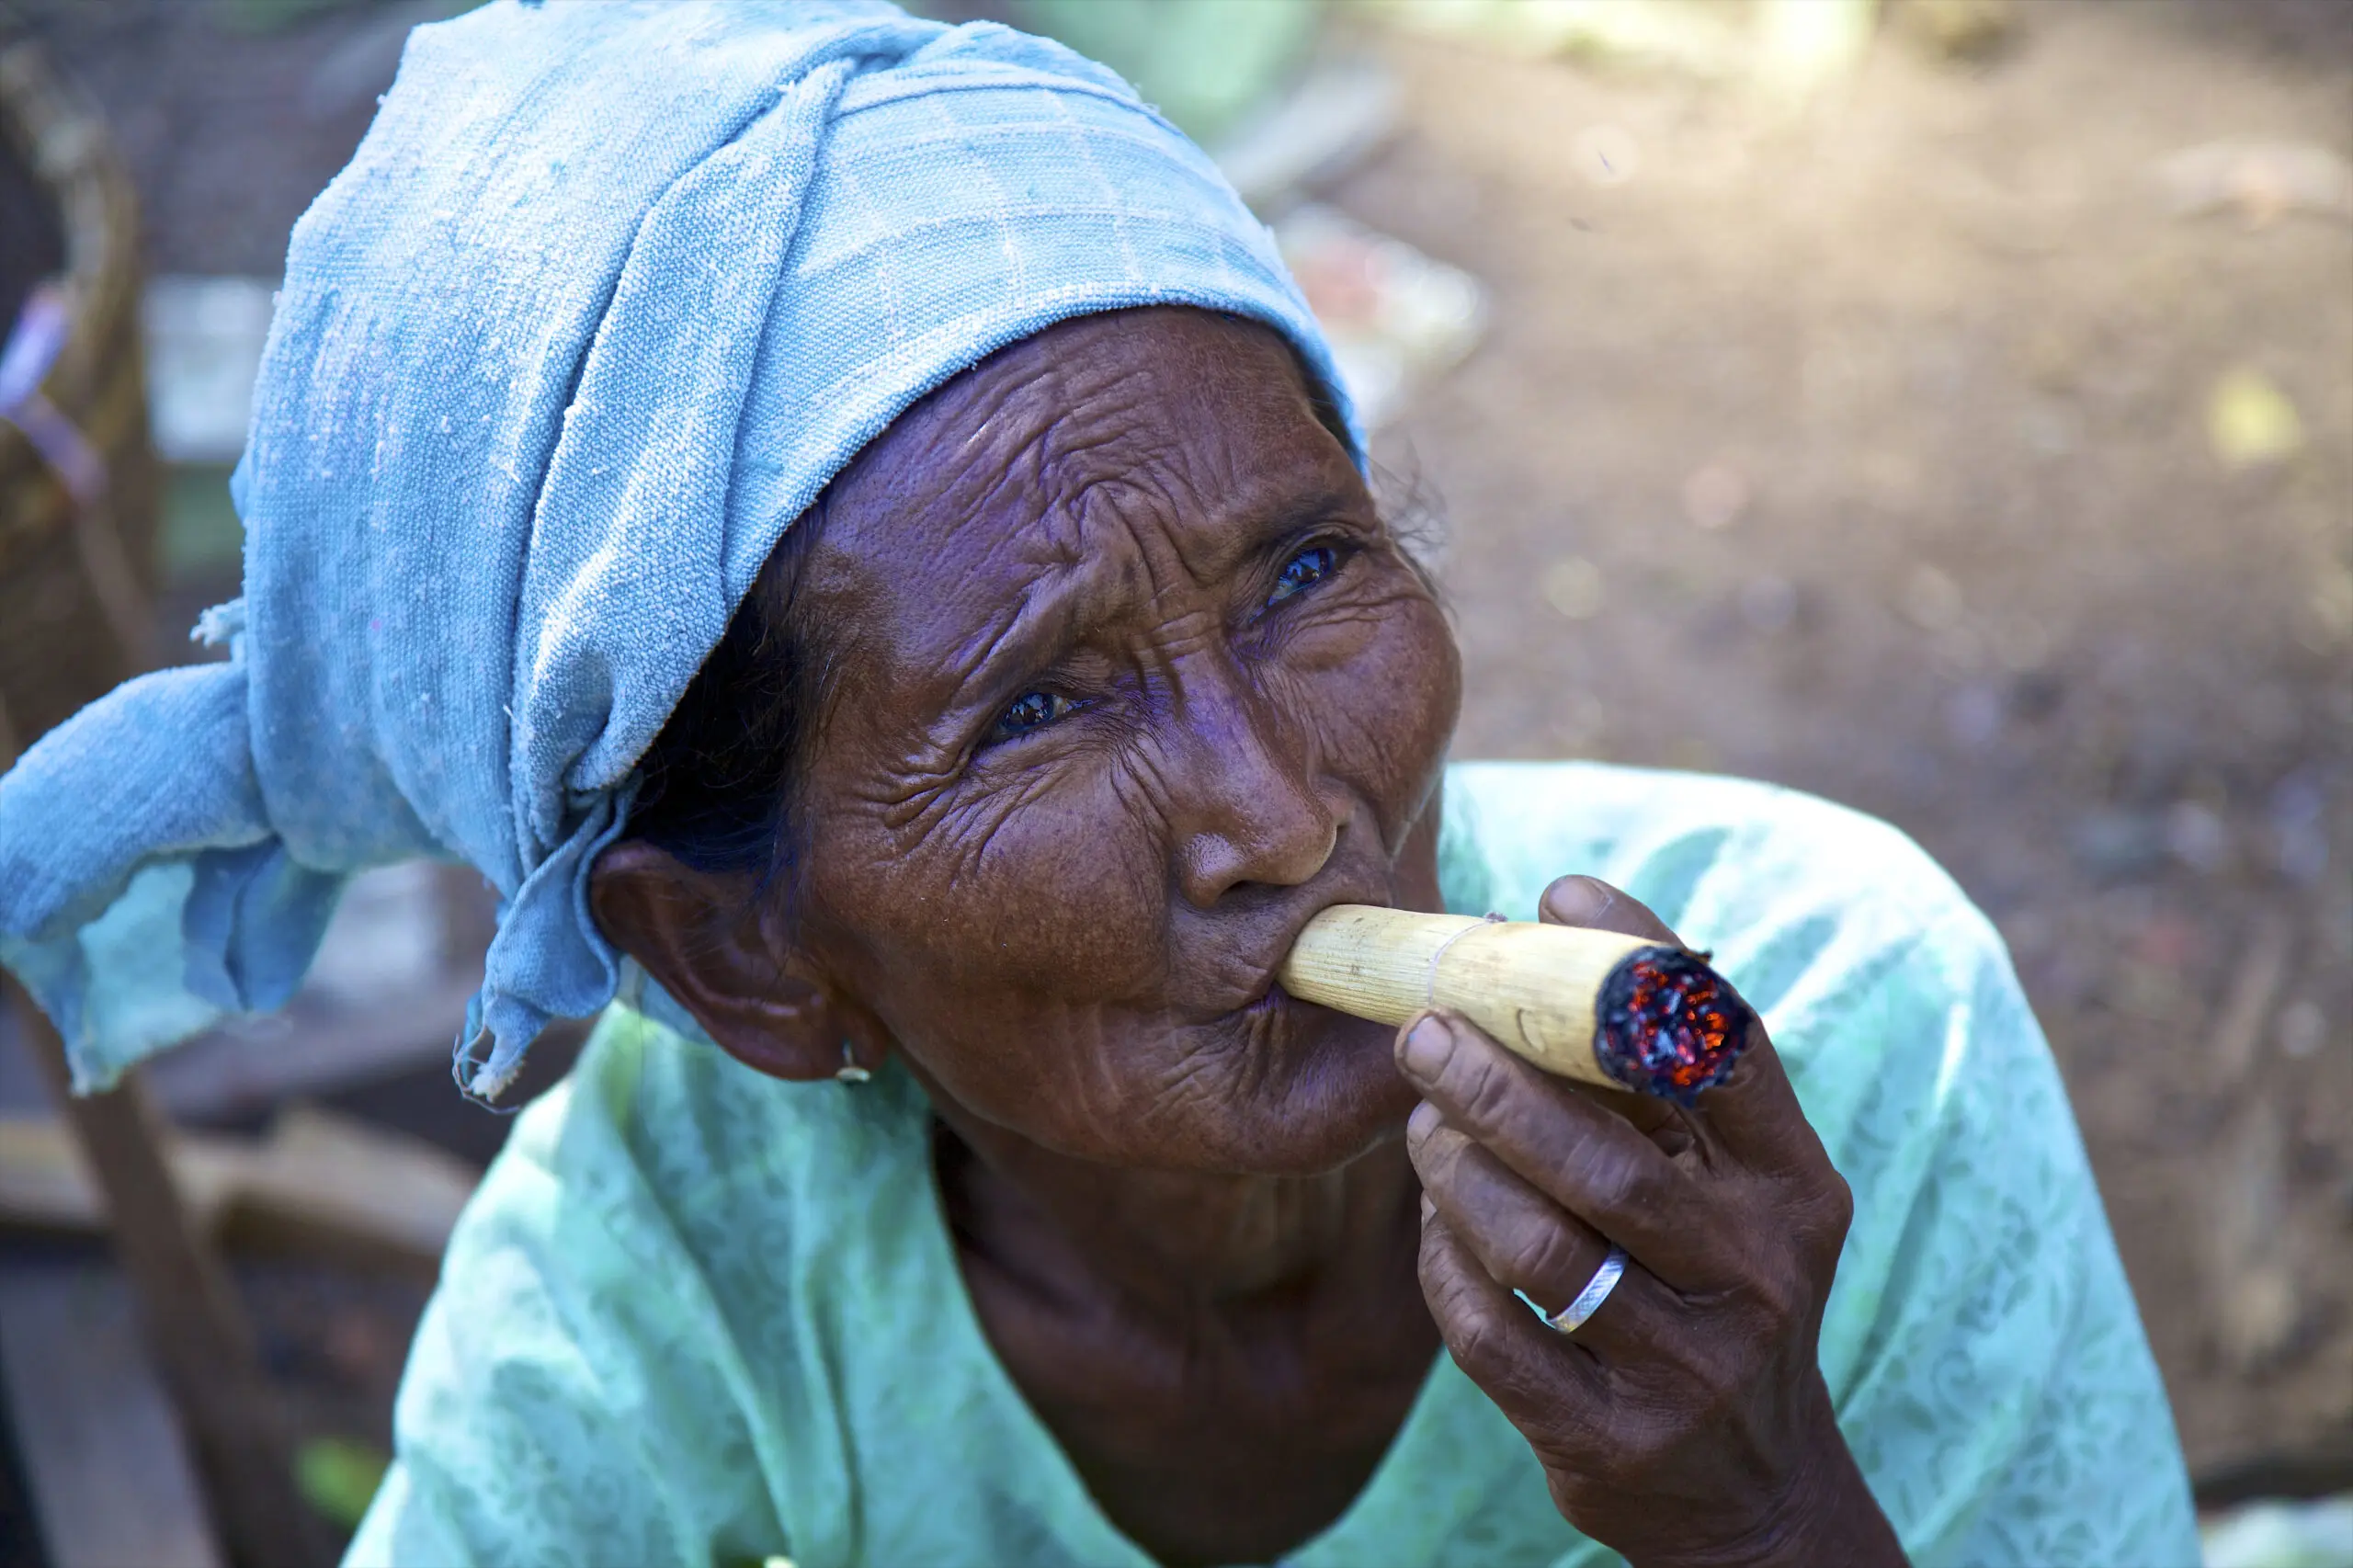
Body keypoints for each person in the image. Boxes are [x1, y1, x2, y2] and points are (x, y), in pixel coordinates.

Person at [0, 5, 2196, 1565]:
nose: (1275, 810)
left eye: (1309, 570)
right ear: (747, 956)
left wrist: (1759, 1525)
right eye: (1041, 712)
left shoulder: (1847, 1010)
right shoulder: (672, 1277)